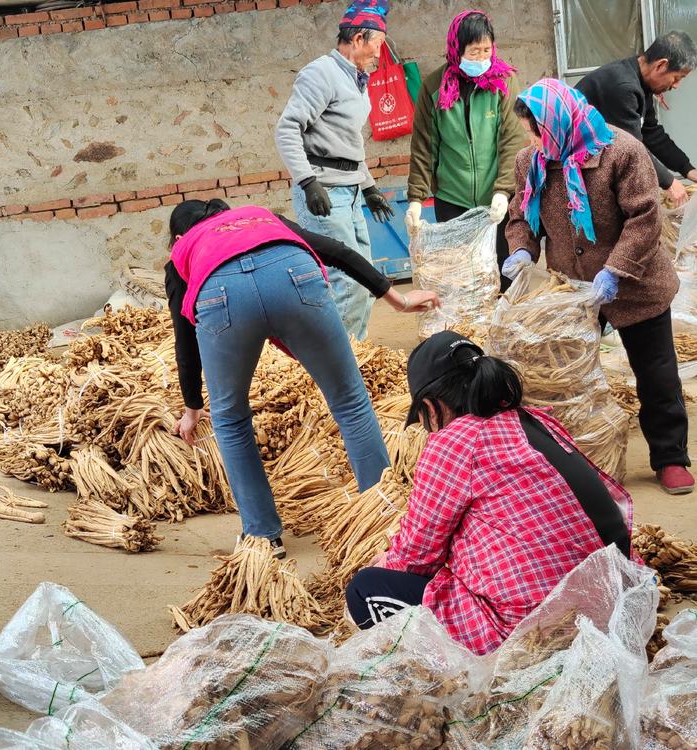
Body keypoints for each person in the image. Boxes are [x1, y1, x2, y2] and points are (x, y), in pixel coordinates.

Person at [165, 199, 440, 559]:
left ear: (179, 236)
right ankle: (384, 516)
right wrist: (398, 300)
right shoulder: (259, 218)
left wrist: (192, 408)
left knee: (231, 420)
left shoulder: (183, 252)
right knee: (350, 400)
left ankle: (264, 538)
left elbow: (185, 339)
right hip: (295, 277)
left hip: (223, 298)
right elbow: (337, 252)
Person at [345, 330, 634, 655]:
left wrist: (388, 561)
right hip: (615, 598)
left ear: (431, 406)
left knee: (365, 590)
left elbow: (417, 555)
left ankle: (476, 668)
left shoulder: (455, 441)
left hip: (542, 629)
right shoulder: (535, 420)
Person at [501, 78, 692, 495]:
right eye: (529, 133)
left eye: (538, 131)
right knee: (567, 375)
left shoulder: (620, 151)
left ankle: (670, 457)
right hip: (571, 288)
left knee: (656, 375)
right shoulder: (531, 161)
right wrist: (520, 250)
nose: (533, 141)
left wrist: (615, 270)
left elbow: (645, 218)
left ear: (556, 122)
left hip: (636, 282)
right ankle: (578, 458)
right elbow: (520, 215)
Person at [275, 0, 394, 341]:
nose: (379, 54)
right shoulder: (321, 73)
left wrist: (369, 187)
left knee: (366, 279)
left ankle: (355, 354)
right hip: (325, 192)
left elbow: (350, 141)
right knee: (345, 283)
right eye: (378, 45)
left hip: (350, 190)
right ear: (357, 39)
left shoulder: (357, 79)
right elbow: (287, 130)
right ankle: (341, 366)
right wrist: (307, 182)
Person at [405, 9, 526, 291]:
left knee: (503, 269)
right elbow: (424, 146)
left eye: (487, 50)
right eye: (474, 52)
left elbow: (511, 139)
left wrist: (502, 190)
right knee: (461, 275)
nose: (482, 59)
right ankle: (468, 333)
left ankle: (503, 329)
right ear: (457, 50)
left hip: (497, 201)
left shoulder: (504, 82)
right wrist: (415, 199)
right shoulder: (433, 87)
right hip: (452, 199)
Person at [576, 31, 697, 207]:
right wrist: (669, 182)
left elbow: (652, 134)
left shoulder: (641, 82)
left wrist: (688, 169)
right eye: (677, 78)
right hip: (577, 171)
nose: (676, 85)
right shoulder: (623, 87)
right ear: (661, 65)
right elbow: (633, 150)